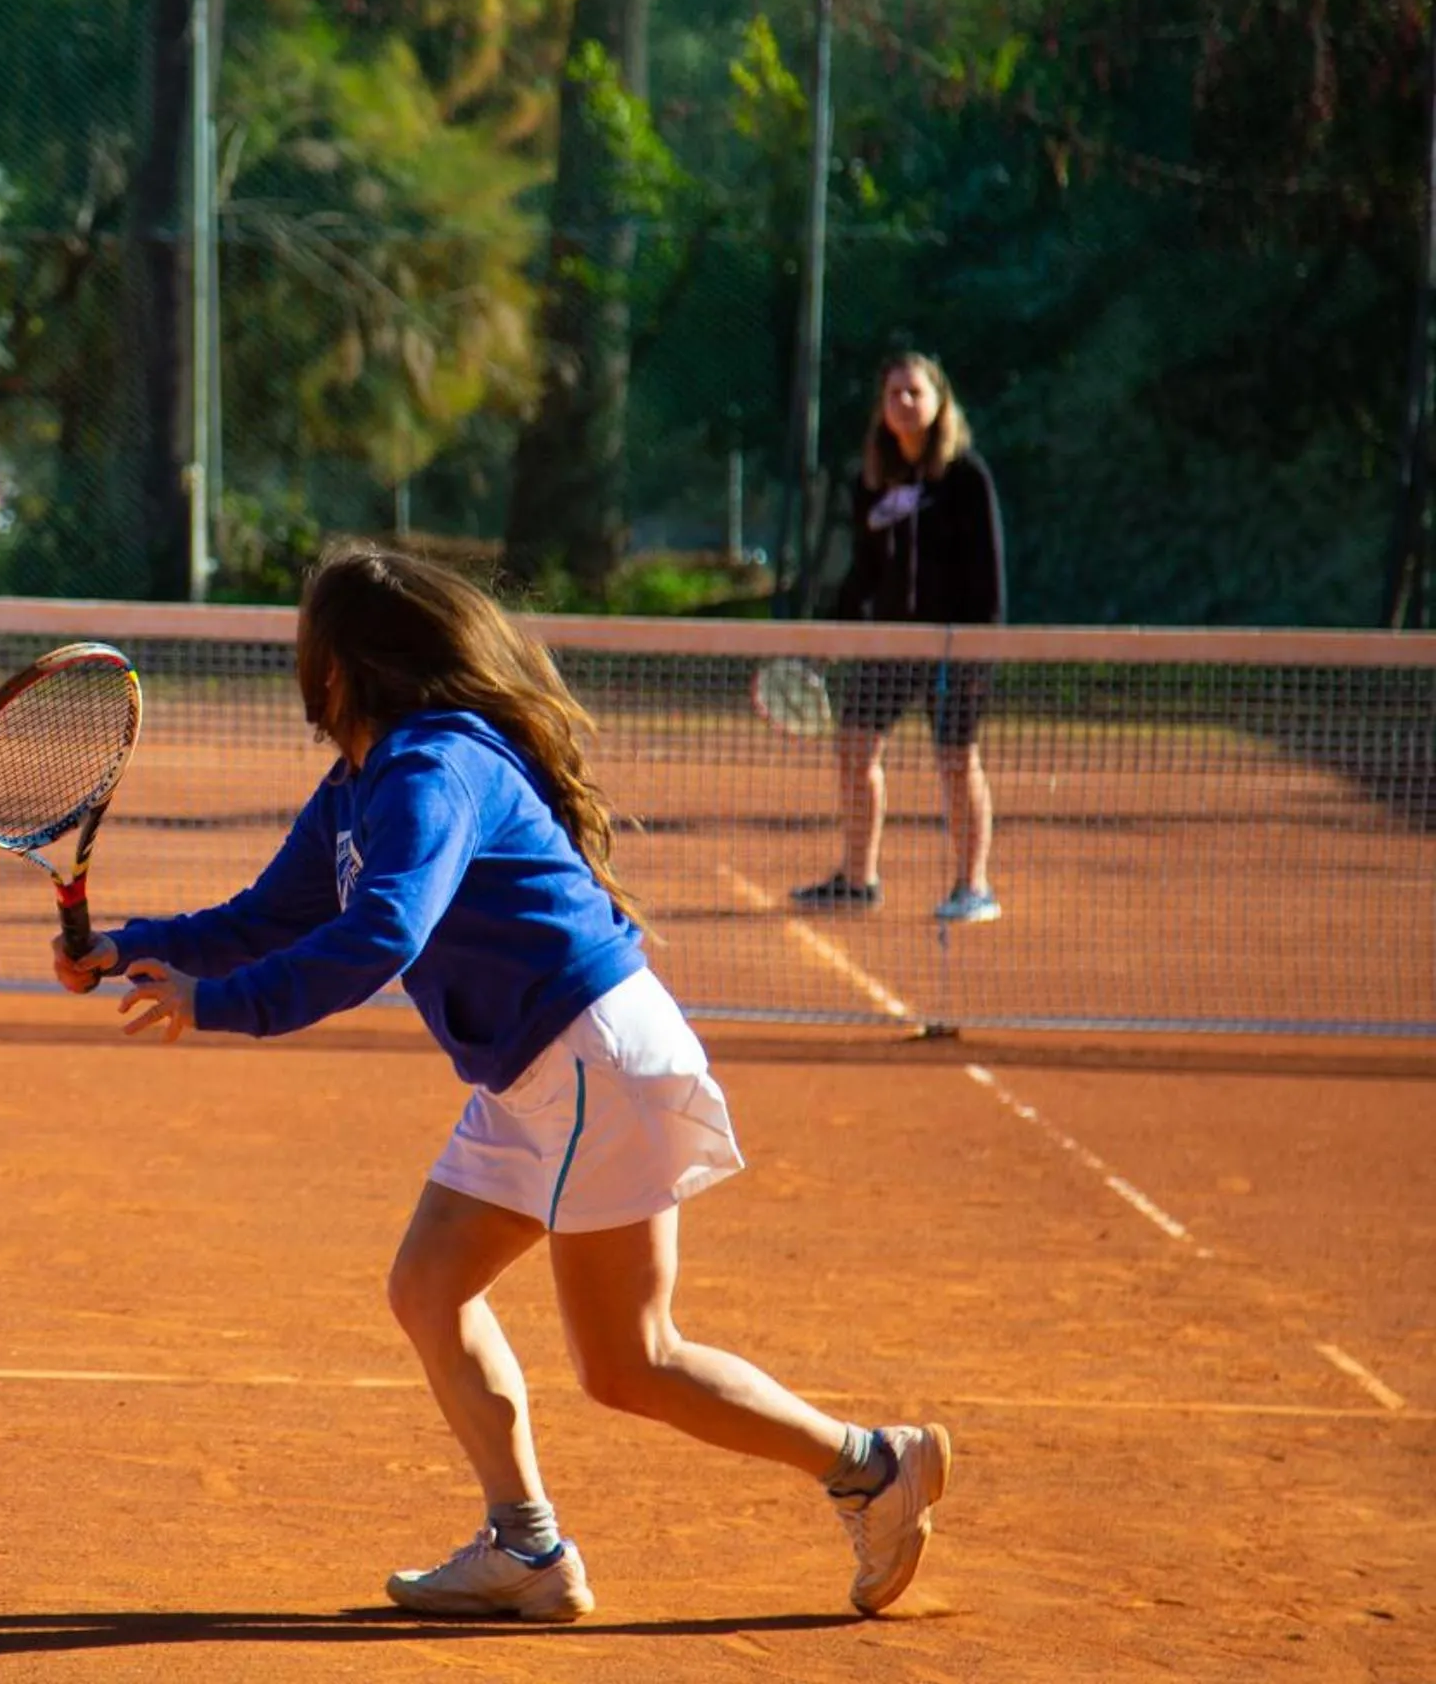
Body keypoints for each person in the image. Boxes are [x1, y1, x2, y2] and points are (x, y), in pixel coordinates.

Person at [52, 545, 951, 1621]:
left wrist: (218, 1004)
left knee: (630, 1361)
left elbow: (381, 933)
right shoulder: (358, 788)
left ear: (338, 668)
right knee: (431, 1289)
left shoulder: (431, 769)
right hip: (549, 1068)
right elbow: (265, 917)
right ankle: (528, 1549)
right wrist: (130, 947)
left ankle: (868, 1467)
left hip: (586, 1058)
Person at [792, 351, 1006, 925]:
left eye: (916, 393)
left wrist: (975, 649)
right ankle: (858, 879)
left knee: (956, 760)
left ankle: (973, 886)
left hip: (953, 646)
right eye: (894, 395)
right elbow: (864, 571)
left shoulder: (965, 477)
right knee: (855, 748)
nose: (905, 404)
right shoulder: (873, 480)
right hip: (889, 647)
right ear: (882, 408)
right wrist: (833, 635)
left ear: (939, 403)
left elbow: (988, 572)